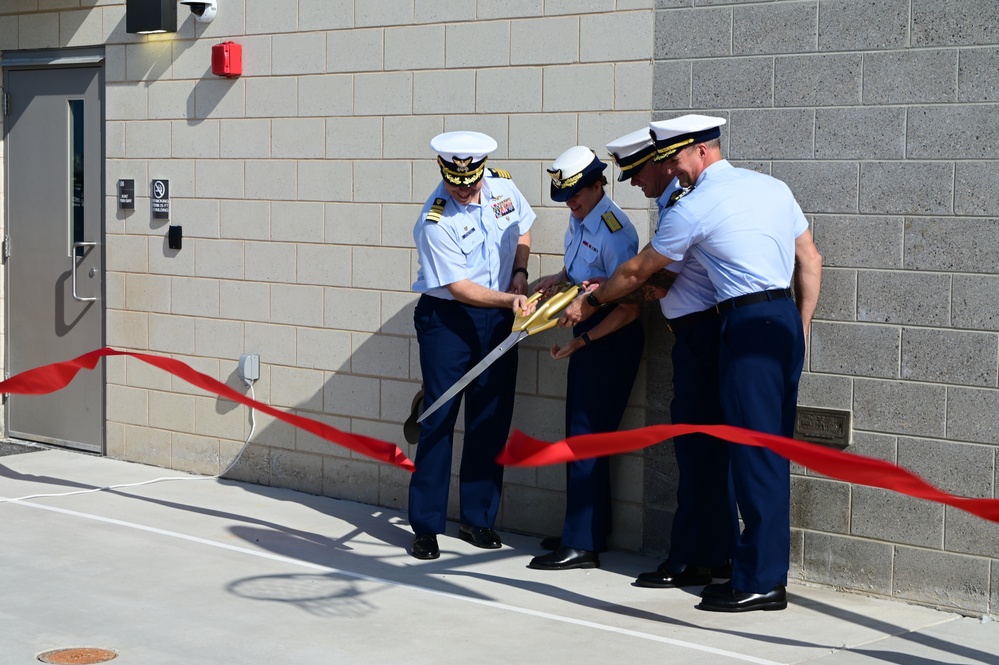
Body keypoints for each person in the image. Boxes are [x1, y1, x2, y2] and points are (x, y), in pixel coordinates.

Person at [560, 115, 822, 612]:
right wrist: (801, 327)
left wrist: (591, 304)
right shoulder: (770, 185)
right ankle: (747, 568)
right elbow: (810, 258)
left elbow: (641, 271)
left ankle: (763, 580)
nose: (672, 169)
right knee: (759, 451)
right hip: (778, 319)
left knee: (755, 455)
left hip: (744, 325)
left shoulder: (696, 203)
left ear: (701, 150)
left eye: (675, 159)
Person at [604, 128, 740, 590]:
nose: (635, 184)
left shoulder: (683, 207)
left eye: (638, 172)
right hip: (699, 335)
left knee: (697, 447)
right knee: (703, 450)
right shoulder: (674, 204)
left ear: (664, 163)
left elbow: (655, 284)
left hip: (704, 335)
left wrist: (599, 296)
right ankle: (713, 554)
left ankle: (692, 557)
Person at [408, 131, 535, 560]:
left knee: (490, 419)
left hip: (499, 315)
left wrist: (520, 270)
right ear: (442, 171)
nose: (463, 188)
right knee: (440, 419)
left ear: (482, 170)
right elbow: (460, 288)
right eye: (454, 181)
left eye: (471, 180)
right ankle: (426, 527)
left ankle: (478, 519)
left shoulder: (502, 184)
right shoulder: (435, 220)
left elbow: (523, 229)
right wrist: (511, 298)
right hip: (450, 320)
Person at [526, 146, 644, 571]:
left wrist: (584, 340)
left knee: (585, 437)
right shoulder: (580, 221)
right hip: (589, 331)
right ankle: (587, 529)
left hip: (609, 338)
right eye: (565, 198)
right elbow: (581, 277)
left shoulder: (614, 231)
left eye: (577, 195)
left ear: (598, 185)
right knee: (581, 436)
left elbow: (629, 306)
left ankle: (582, 544)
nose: (570, 204)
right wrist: (557, 281)